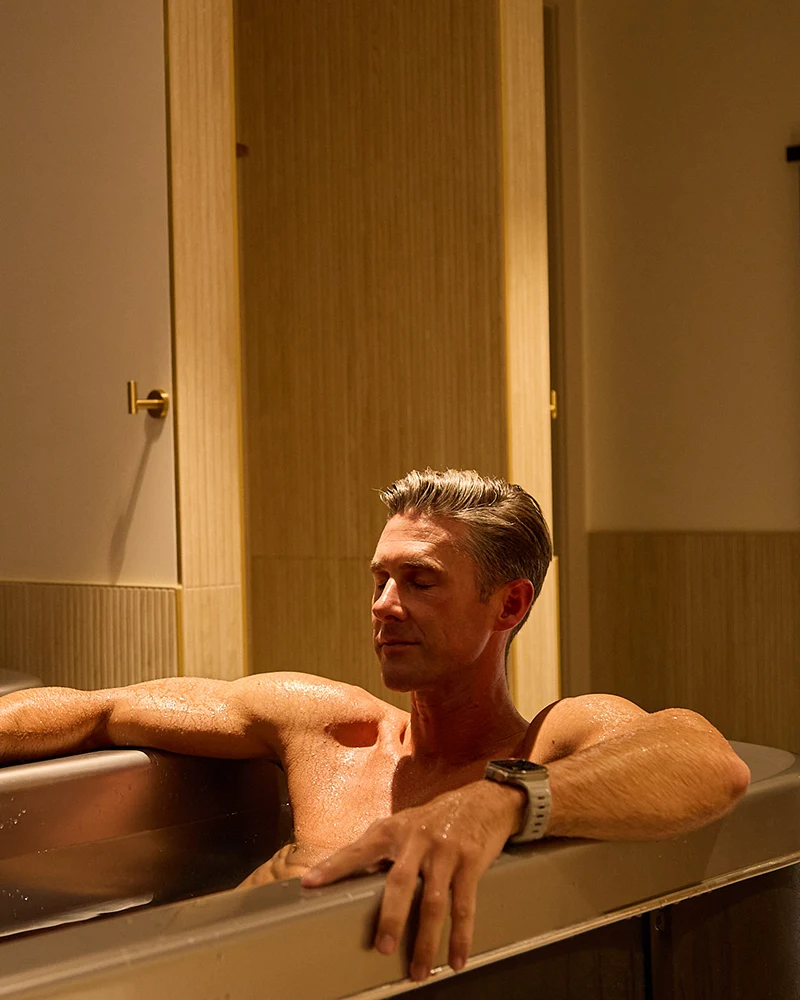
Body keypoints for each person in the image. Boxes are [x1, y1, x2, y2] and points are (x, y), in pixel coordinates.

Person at [0, 469, 749, 982]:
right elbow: (95, 711)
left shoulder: (543, 744)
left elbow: (707, 760)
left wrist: (500, 802)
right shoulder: (324, 725)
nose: (384, 605)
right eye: (380, 578)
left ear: (509, 607)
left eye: (420, 581)